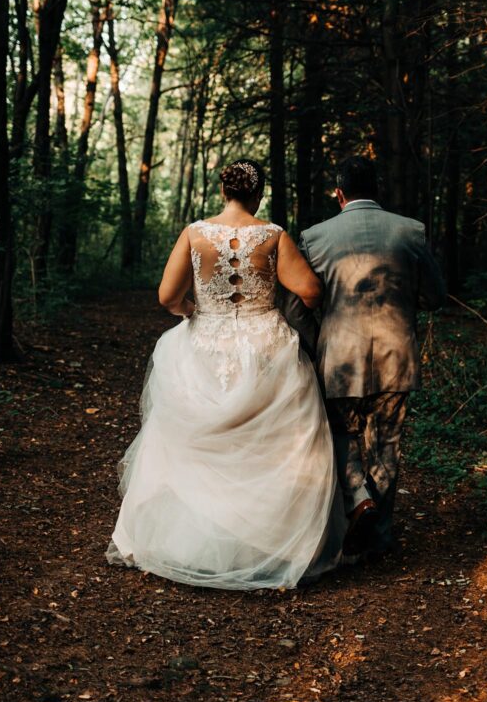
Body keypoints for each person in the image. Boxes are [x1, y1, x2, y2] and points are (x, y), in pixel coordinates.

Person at [105, 159, 344, 590]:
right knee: (268, 442)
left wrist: (192, 312)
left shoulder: (196, 234)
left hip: (206, 340)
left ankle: (192, 546)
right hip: (264, 342)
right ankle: (265, 547)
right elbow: (309, 289)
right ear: (259, 194)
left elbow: (167, 296)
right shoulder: (272, 236)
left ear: (222, 190)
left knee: (197, 443)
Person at [285, 155, 446, 557]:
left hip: (339, 357)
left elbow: (300, 304)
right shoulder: (410, 231)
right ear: (377, 191)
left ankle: (357, 499)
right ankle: (379, 537)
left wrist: (312, 342)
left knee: (341, 434)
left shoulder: (316, 236)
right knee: (387, 443)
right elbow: (435, 297)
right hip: (397, 355)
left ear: (339, 194)